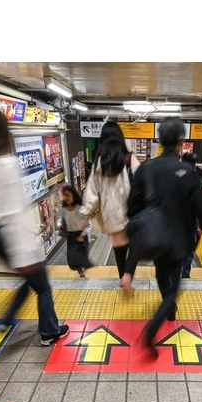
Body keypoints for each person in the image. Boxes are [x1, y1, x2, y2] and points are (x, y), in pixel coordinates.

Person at [0, 108, 69, 346]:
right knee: (43, 289)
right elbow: (14, 211)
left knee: (30, 283)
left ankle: (6, 320)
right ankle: (49, 332)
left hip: (0, 242)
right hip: (17, 241)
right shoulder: (8, 164)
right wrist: (29, 246)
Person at [127, 117, 202, 357]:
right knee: (174, 286)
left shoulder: (146, 168)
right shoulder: (189, 172)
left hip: (154, 238)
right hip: (180, 241)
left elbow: (131, 208)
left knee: (163, 277)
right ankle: (153, 328)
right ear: (182, 142)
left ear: (160, 140)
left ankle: (169, 309)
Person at [80, 122, 141, 289]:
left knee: (119, 252)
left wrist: (85, 216)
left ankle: (123, 277)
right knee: (134, 248)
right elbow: (141, 182)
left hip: (111, 218)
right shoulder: (129, 158)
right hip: (131, 214)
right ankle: (128, 276)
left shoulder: (98, 163)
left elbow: (92, 196)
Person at [181, 152, 202, 277]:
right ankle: (185, 276)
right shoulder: (197, 183)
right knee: (188, 253)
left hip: (169, 226)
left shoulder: (171, 178)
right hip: (189, 227)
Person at [57, 184, 92, 278]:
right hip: (71, 235)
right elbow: (60, 218)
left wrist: (83, 235)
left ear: (74, 195)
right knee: (72, 259)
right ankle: (81, 272)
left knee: (81, 258)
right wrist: (59, 225)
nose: (66, 198)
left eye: (68, 195)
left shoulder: (80, 208)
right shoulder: (63, 208)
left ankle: (83, 268)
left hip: (81, 235)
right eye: (64, 195)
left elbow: (88, 224)